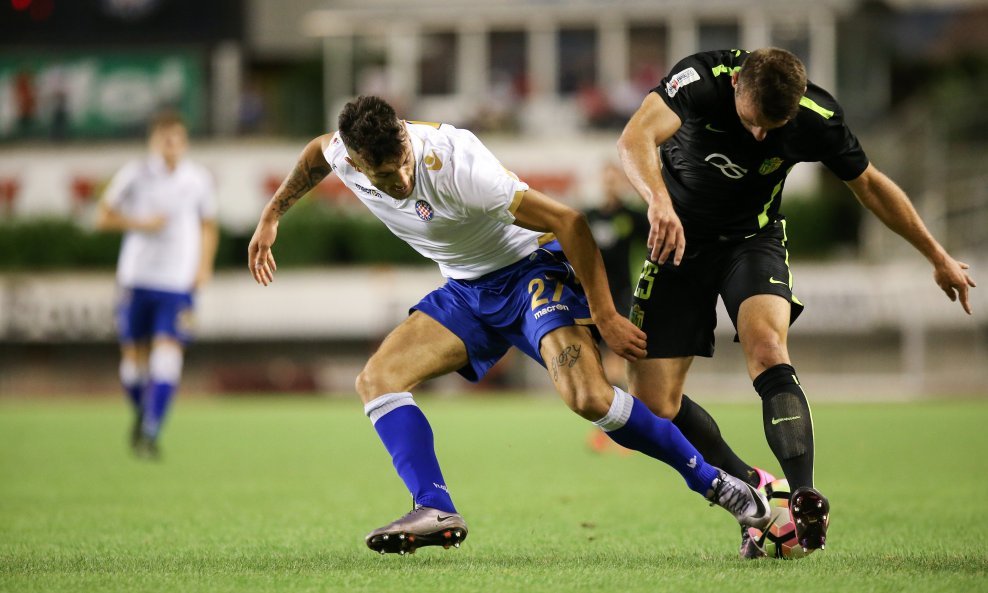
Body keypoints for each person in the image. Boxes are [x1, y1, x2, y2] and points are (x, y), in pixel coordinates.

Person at [248, 96, 772, 555]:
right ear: (359, 163)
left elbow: (569, 222)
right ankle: (434, 507)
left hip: (528, 275)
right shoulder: (345, 153)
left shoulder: (457, 166)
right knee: (376, 381)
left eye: (403, 164)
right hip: (466, 290)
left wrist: (607, 315)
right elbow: (317, 153)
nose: (402, 181)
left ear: (406, 139)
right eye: (386, 177)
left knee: (589, 398)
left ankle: (719, 485)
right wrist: (273, 216)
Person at [617, 48, 977, 556]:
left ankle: (804, 493)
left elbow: (869, 185)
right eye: (753, 123)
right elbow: (635, 137)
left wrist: (937, 255)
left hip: (751, 242)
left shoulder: (816, 117)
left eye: (774, 127)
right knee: (655, 406)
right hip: (677, 242)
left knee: (767, 347)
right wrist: (657, 199)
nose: (762, 137)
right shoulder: (699, 80)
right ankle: (757, 487)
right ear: (738, 84)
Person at [97, 111, 219, 459]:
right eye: (166, 139)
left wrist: (204, 266)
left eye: (178, 139)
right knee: (134, 361)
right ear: (154, 141)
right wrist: (140, 223)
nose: (172, 146)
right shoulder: (134, 175)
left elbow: (208, 224)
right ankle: (141, 412)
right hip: (136, 278)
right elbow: (102, 216)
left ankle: (152, 429)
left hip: (177, 282)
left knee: (168, 354)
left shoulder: (197, 179)